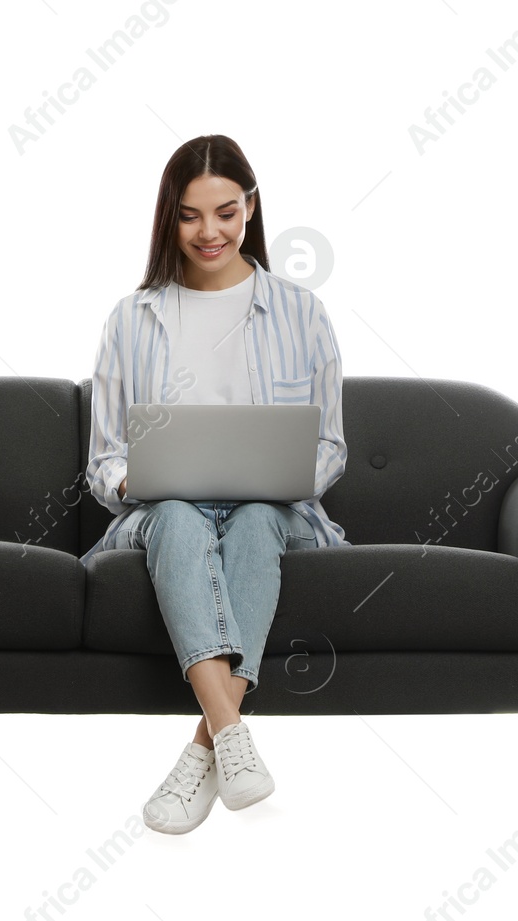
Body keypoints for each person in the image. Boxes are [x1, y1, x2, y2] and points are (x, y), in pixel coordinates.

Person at [79, 135, 349, 834]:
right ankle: (231, 734)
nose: (211, 233)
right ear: (169, 218)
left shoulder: (302, 313)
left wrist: (285, 475)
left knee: (258, 517)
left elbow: (331, 448)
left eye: (226, 213)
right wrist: (136, 476)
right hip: (164, 513)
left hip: (278, 512)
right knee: (175, 512)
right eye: (191, 216)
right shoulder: (131, 320)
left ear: (251, 209)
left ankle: (207, 746)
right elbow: (103, 460)